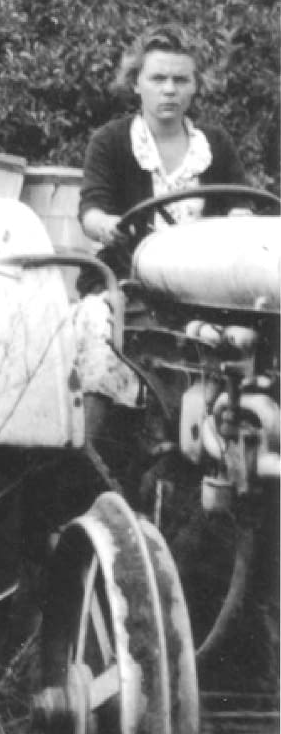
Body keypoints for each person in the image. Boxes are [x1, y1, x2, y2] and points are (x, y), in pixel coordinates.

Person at [74, 23, 246, 440]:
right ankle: (90, 455)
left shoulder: (215, 145)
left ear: (194, 87)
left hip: (203, 291)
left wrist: (242, 219)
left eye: (180, 80)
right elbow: (92, 209)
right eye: (158, 78)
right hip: (128, 283)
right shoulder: (112, 142)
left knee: (252, 336)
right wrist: (106, 225)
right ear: (137, 84)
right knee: (99, 330)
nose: (169, 89)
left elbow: (240, 202)